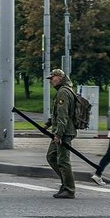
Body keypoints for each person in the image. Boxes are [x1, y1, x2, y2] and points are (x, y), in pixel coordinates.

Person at [45, 68, 77, 199]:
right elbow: (58, 113)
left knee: (63, 160)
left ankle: (69, 189)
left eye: (53, 77)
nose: (51, 80)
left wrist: (58, 134)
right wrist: (48, 124)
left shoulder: (63, 92)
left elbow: (63, 116)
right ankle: (66, 183)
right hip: (62, 130)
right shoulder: (64, 91)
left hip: (64, 132)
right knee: (51, 156)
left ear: (60, 78)